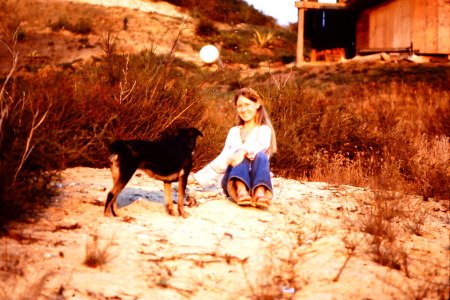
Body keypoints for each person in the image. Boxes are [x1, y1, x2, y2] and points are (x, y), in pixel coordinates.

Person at [189, 88, 277, 209]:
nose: (243, 109)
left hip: (257, 180)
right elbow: (223, 158)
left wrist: (242, 151)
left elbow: (261, 144)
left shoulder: (264, 129)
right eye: (239, 106)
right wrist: (196, 178)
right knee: (237, 154)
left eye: (247, 104)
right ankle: (241, 191)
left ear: (257, 104)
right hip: (232, 181)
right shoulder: (233, 131)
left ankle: (260, 192)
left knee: (259, 155)